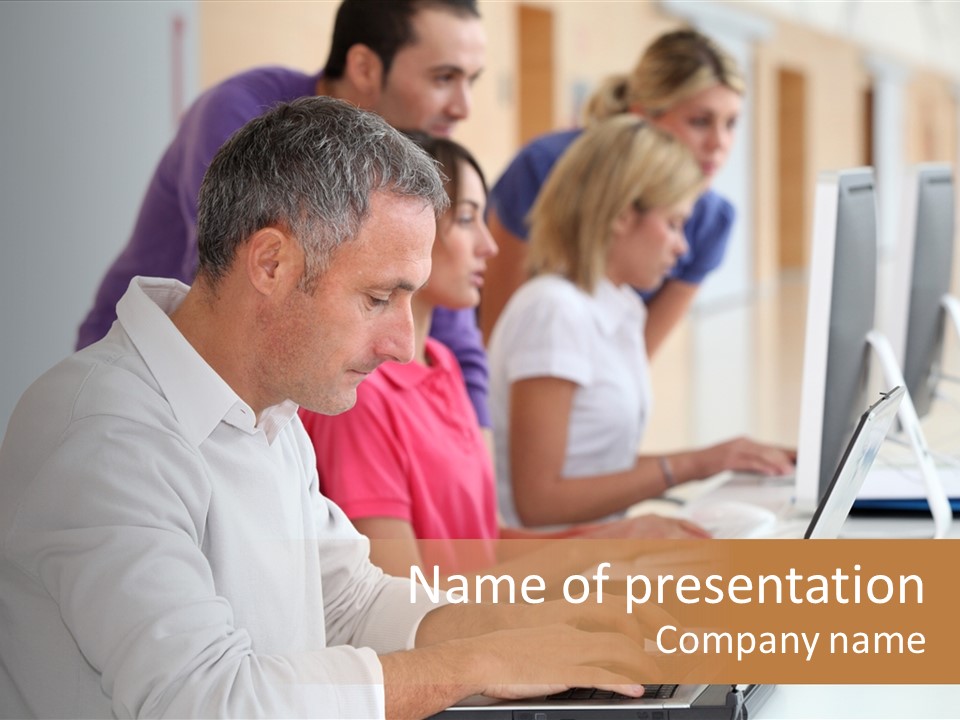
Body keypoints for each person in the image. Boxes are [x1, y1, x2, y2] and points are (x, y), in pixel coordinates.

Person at [0, 98, 656, 720]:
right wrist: (475, 663)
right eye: (378, 298)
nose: (403, 344)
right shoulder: (101, 436)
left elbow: (350, 601)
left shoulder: (267, 413)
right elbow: (207, 702)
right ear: (272, 262)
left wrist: (539, 629)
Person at [300, 133, 708, 581]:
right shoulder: (360, 395)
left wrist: (618, 543)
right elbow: (402, 599)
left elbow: (483, 549)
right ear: (410, 229)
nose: (490, 247)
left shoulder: (444, 365)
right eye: (468, 219)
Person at [75, 0, 493, 430]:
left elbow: (451, 324)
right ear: (365, 67)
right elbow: (234, 295)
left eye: (472, 82)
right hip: (161, 392)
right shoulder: (248, 117)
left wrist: (470, 450)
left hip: (274, 400)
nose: (463, 107)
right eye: (444, 78)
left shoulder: (403, 174)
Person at [488, 116, 795, 530]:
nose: (682, 246)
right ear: (621, 215)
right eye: (672, 224)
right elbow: (538, 502)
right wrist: (694, 463)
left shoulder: (617, 305)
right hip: (555, 572)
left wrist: (721, 459)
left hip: (600, 547)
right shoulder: (554, 311)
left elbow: (594, 466)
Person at [480, 28, 743, 356]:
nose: (719, 144)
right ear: (642, 115)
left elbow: (633, 358)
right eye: (701, 121)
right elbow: (496, 337)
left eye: (731, 123)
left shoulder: (712, 219)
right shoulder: (545, 167)